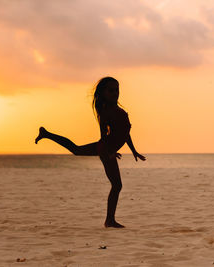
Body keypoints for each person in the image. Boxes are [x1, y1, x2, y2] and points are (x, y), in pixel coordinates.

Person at [35, 76, 146, 228]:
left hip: (107, 149)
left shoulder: (120, 111)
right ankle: (109, 220)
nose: (115, 93)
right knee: (117, 185)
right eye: (111, 90)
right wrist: (109, 152)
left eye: (116, 90)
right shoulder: (107, 113)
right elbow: (104, 137)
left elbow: (125, 134)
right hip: (105, 149)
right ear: (103, 93)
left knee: (76, 149)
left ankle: (46, 134)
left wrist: (134, 151)